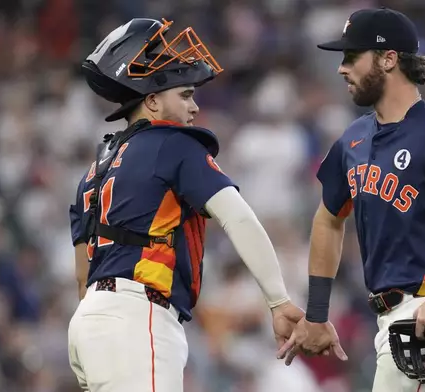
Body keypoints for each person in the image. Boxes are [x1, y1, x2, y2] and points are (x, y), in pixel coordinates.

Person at [277, 7, 425, 392]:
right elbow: (328, 218)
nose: (342, 67)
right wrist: (318, 313)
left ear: (389, 59)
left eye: (352, 56)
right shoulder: (353, 140)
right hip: (394, 323)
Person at [67, 18, 303, 392]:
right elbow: (238, 218)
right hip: (137, 316)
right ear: (153, 100)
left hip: (87, 325)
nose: (194, 107)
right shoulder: (174, 144)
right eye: (186, 95)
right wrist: (278, 301)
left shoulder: (92, 172)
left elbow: (83, 278)